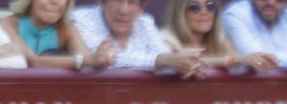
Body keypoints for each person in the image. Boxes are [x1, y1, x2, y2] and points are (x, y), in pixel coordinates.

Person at [73, 0, 202, 76]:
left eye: (132, 2)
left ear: (142, 7)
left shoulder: (145, 22)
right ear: (101, 2)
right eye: (118, 0)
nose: (124, 11)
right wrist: (163, 60)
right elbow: (104, 59)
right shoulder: (81, 20)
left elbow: (167, 59)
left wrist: (186, 65)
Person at [163, 0, 278, 72]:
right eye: (194, 7)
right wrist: (236, 60)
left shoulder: (220, 38)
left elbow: (240, 60)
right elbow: (186, 61)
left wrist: (256, 59)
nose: (204, 12)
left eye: (210, 5)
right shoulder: (166, 38)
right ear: (180, 13)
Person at [0, 0, 103, 69]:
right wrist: (83, 61)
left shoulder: (66, 29)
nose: (55, 1)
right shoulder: (8, 24)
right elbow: (33, 62)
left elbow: (87, 58)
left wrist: (103, 56)